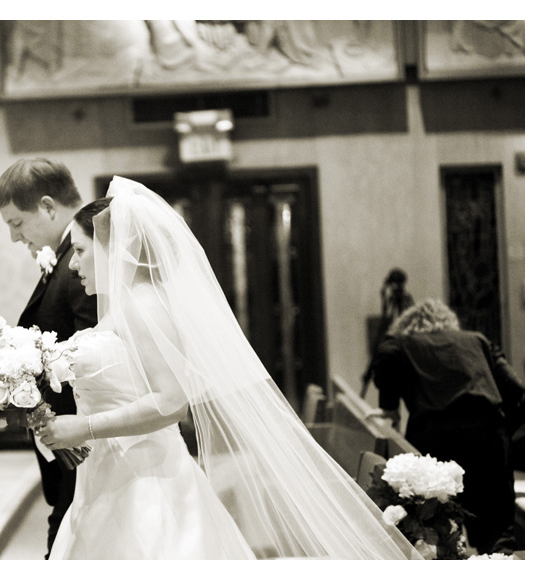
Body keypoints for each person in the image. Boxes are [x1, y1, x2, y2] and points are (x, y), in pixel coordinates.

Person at [36, 176, 421, 559]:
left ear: (113, 248)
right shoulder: (126, 305)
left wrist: (83, 427)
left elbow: (172, 403)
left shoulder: (142, 305)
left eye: (82, 251)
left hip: (144, 481)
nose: (73, 265)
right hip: (111, 473)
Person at [0, 158, 98, 558]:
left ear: (49, 207)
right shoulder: (66, 254)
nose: (15, 238)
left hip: (84, 446)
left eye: (17, 223)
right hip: (68, 444)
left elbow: (94, 358)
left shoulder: (82, 262)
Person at [371, 298, 524, 555]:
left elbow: (385, 354)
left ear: (407, 325)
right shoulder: (477, 340)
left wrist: (389, 407)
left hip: (434, 442)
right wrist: (504, 430)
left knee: (439, 531)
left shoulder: (401, 342)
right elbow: (517, 392)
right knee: (497, 531)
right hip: (488, 438)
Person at [361, 267, 414, 396]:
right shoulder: (391, 300)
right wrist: (384, 298)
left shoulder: (407, 299)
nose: (396, 288)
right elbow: (386, 318)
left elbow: (409, 316)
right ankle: (365, 383)